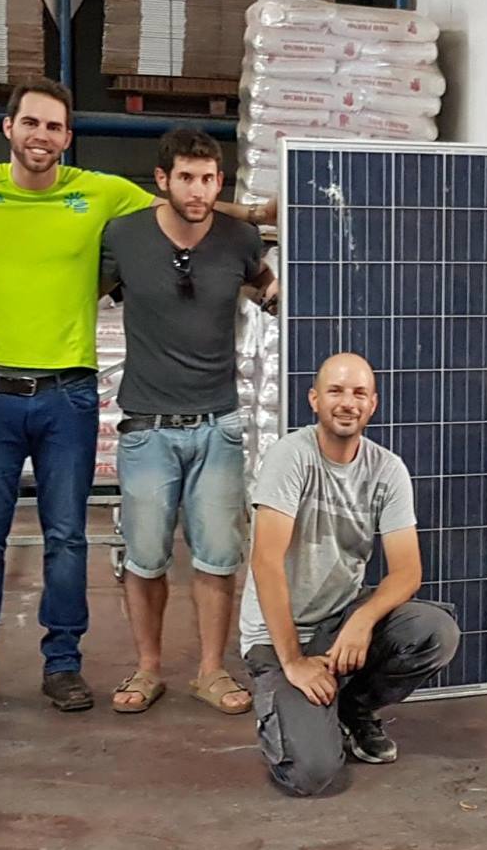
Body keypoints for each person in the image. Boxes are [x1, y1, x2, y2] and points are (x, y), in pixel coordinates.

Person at [0, 78, 274, 719]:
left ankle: (66, 668)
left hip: (72, 395)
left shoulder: (105, 195)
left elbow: (204, 225)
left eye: (55, 127)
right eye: (31, 123)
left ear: (68, 136)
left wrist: (259, 215)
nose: (42, 136)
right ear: (8, 127)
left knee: (68, 540)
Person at [99, 127, 277, 716]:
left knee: (218, 556)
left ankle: (209, 670)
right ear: (162, 180)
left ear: (219, 182)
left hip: (219, 426)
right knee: (146, 558)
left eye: (208, 179)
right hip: (147, 426)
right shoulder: (124, 238)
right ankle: (147, 669)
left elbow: (270, 290)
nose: (198, 191)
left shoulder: (240, 240)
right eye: (186, 178)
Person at [237, 353, 460, 796]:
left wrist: (362, 620)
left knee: (434, 632)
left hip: (338, 624)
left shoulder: (387, 470)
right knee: (312, 774)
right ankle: (291, 712)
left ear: (373, 404)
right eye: (336, 391)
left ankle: (353, 709)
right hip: (278, 635)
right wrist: (294, 662)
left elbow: (407, 571)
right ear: (314, 399)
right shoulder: (291, 457)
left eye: (359, 393)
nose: (348, 402)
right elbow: (266, 561)